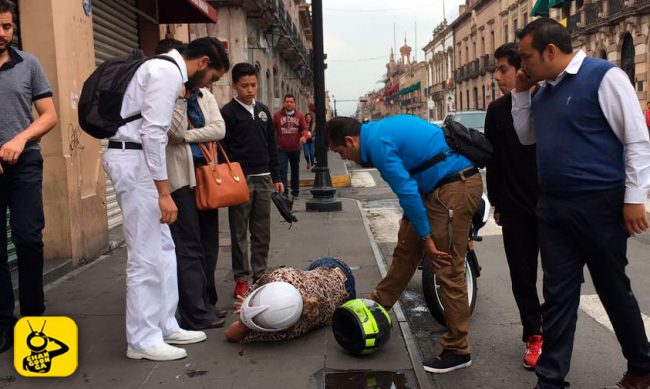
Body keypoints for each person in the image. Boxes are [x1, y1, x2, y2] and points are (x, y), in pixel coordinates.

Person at [512, 18, 650, 389]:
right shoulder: (542, 92)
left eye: (527, 57)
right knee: (557, 295)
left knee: (612, 288)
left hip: (600, 205)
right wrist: (521, 93)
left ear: (551, 51)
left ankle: (642, 366)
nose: (522, 65)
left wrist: (635, 198)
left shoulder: (604, 77)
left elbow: (637, 140)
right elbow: (526, 137)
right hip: (553, 208)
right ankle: (551, 380)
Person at [102, 37, 229, 361]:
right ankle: (142, 339)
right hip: (135, 162)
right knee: (145, 255)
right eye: (213, 76)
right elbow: (154, 132)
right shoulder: (165, 73)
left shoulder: (163, 70)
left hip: (141, 162)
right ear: (202, 63)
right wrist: (164, 192)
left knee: (165, 248)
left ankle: (165, 323)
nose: (209, 84)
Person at [326, 115, 483, 374]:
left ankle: (458, 349)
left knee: (447, 267)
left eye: (340, 152)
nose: (344, 158)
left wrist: (426, 238)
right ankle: (377, 307)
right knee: (405, 252)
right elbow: (417, 170)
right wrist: (410, 221)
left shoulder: (377, 145)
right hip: (434, 188)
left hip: (454, 187)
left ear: (349, 141)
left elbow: (407, 189)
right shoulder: (375, 134)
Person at [0, 0, 58, 354]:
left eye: (7, 26)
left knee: (28, 239)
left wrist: (21, 138)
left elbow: (48, 115)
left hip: (25, 163)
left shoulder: (29, 64)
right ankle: (4, 323)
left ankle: (33, 316)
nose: (2, 34)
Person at [484, 42, 542, 370]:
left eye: (503, 69)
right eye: (496, 69)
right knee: (522, 275)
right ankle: (534, 333)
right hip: (516, 207)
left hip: (555, 207)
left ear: (522, 68)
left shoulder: (550, 101)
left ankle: (557, 331)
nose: (496, 76)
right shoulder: (496, 110)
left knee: (563, 276)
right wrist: (497, 203)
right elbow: (494, 162)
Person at [165, 39, 230, 330]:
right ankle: (194, 311)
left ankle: (207, 301)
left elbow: (219, 128)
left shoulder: (204, 96)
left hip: (207, 174)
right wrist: (180, 99)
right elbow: (172, 131)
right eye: (213, 77)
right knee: (188, 245)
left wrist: (190, 136)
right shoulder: (173, 92)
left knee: (208, 242)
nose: (210, 83)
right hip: (180, 178)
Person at [221, 63, 283, 298]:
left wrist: (277, 177)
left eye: (253, 85)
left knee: (261, 229)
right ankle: (241, 278)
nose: (250, 90)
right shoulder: (228, 113)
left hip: (264, 177)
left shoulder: (264, 111)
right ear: (234, 85)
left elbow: (272, 146)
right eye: (244, 85)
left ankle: (260, 274)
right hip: (240, 179)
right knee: (238, 231)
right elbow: (223, 150)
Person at [224, 258, 354, 343]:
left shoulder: (288, 330)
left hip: (346, 296)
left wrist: (244, 322)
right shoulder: (280, 276)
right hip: (333, 268)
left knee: (309, 280)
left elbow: (231, 334)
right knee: (307, 277)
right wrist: (249, 307)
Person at [273, 94, 309, 199]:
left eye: (291, 102)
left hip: (295, 148)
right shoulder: (277, 116)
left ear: (294, 103)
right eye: (287, 101)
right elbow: (271, 130)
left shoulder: (300, 116)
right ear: (284, 103)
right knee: (282, 170)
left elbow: (305, 129)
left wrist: (304, 137)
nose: (289, 103)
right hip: (281, 148)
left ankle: (295, 191)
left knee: (295, 170)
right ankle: (284, 191)